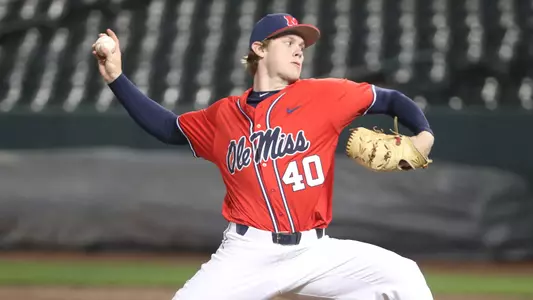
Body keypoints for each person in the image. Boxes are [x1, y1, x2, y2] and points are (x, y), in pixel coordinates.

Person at [93, 12, 435, 300]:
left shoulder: (326, 95)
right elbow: (169, 128)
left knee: (403, 277)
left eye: (302, 47)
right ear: (259, 48)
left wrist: (423, 135)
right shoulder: (222, 116)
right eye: (289, 43)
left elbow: (389, 100)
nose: (299, 51)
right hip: (248, 252)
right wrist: (116, 79)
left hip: (314, 250)